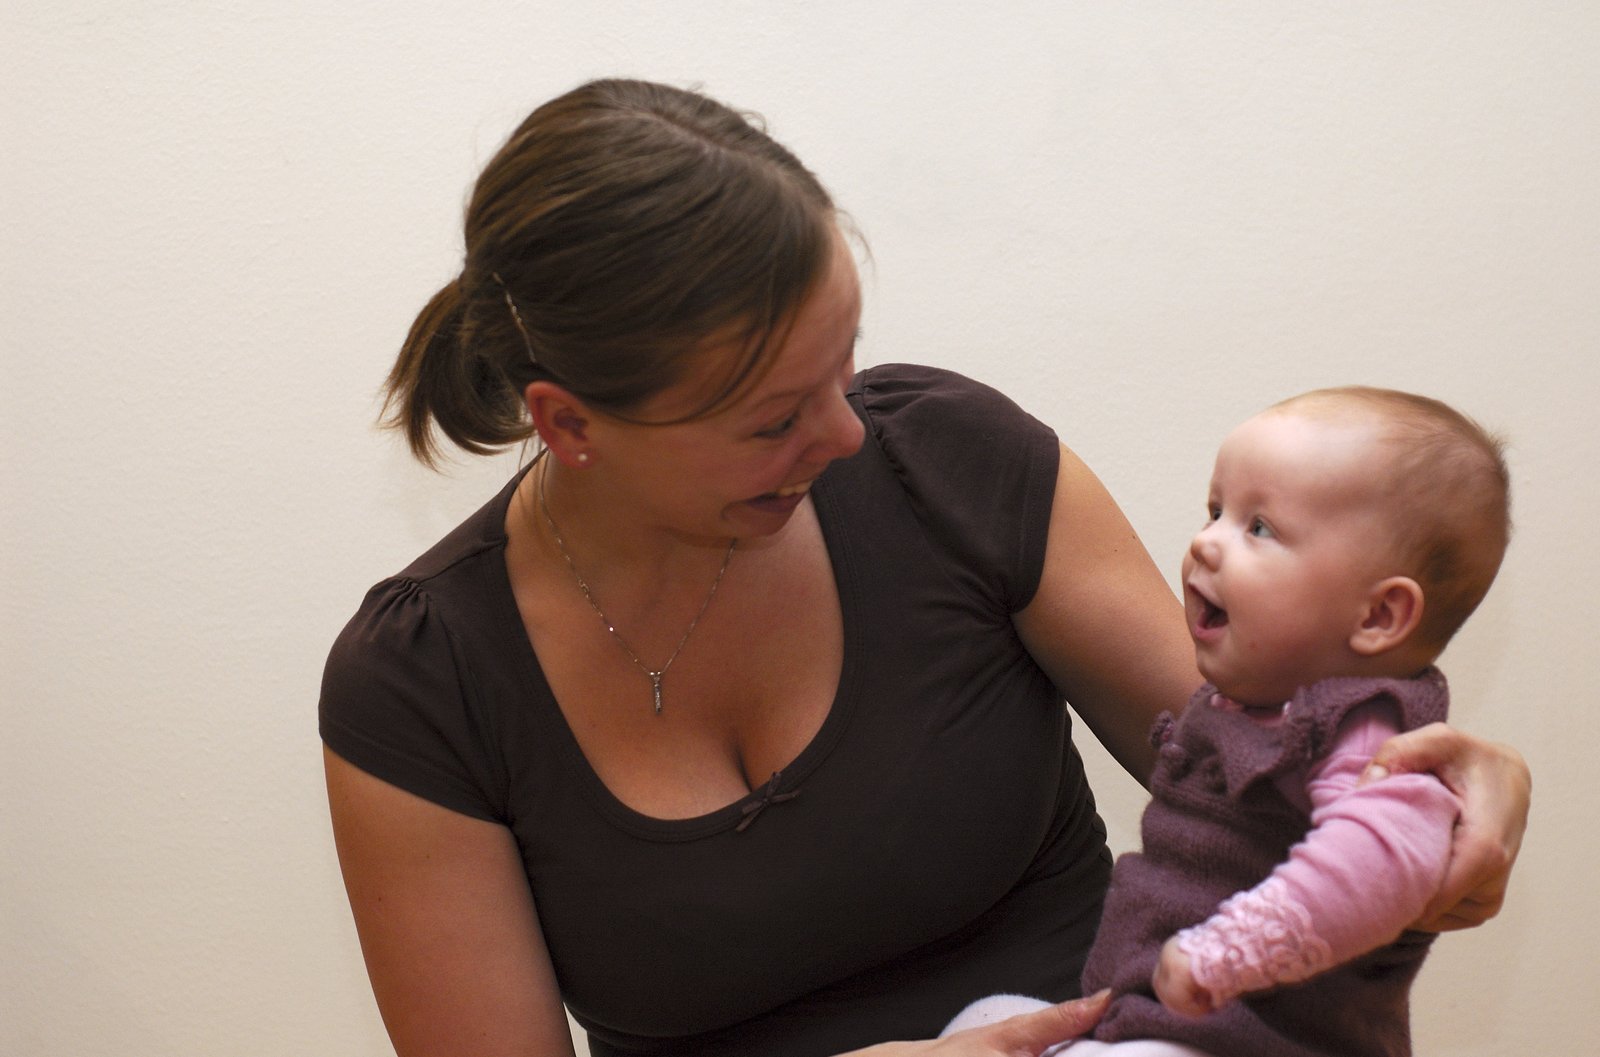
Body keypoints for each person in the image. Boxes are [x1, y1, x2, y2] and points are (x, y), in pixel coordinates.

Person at [319, 79, 1530, 1057]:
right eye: (773, 418)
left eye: (842, 366)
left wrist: (1461, 782)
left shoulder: (947, 460)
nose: (845, 436)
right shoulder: (422, 686)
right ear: (569, 422)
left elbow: (1270, 766)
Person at [942, 387, 1512, 1056]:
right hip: (1151, 1017)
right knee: (988, 1017)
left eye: (1259, 528)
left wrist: (1232, 950)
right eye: (1216, 512)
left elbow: (1379, 863)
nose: (1206, 542)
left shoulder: (1363, 737)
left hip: (1261, 1039)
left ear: (1378, 615)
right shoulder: (1246, 702)